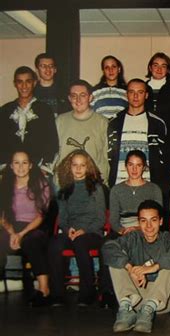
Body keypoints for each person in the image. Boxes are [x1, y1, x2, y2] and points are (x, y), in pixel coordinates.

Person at [102, 200, 170, 333]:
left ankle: (148, 308)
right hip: (136, 299)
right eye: (143, 221)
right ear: (138, 222)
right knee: (117, 259)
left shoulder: (168, 239)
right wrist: (129, 268)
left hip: (161, 301)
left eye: (153, 220)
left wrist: (154, 267)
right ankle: (126, 309)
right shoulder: (133, 237)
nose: (148, 226)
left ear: (160, 221)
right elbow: (108, 248)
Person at [48, 150, 106, 306]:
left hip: (92, 233)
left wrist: (84, 231)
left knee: (80, 242)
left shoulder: (96, 188)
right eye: (75, 165)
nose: (78, 169)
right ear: (69, 166)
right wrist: (69, 230)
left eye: (82, 165)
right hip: (72, 233)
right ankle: (57, 295)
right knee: (54, 244)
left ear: (88, 167)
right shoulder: (64, 190)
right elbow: (63, 219)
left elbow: (100, 219)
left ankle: (87, 294)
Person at [0, 151, 51, 306]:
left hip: (35, 227)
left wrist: (21, 234)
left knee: (31, 241)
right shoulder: (4, 185)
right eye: (16, 162)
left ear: (30, 165)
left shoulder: (41, 184)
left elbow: (41, 216)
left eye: (24, 162)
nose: (20, 166)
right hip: (12, 227)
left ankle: (44, 289)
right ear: (11, 166)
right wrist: (12, 233)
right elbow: (2, 216)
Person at [108, 78, 168, 189]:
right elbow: (109, 156)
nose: (135, 96)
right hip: (119, 186)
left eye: (140, 92)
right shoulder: (114, 123)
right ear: (126, 95)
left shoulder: (157, 123)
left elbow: (163, 158)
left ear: (146, 95)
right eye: (132, 92)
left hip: (148, 186)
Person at [0, 66, 59, 174]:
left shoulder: (45, 110)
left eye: (28, 81)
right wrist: (4, 167)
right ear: (15, 84)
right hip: (10, 171)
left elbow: (52, 142)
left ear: (34, 83)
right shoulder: (5, 110)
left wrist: (44, 168)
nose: (24, 86)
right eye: (20, 82)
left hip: (37, 171)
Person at [56, 79, 109, 182]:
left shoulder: (102, 122)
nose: (78, 100)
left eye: (82, 95)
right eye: (74, 96)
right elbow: (54, 154)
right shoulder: (60, 121)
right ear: (69, 98)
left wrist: (102, 183)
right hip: (64, 184)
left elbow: (106, 157)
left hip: (93, 184)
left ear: (90, 97)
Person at [109, 150, 163, 237]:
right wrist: (123, 231)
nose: (134, 169)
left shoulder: (154, 189)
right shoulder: (116, 190)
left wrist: (137, 229)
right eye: (131, 165)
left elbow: (158, 218)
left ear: (144, 167)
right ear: (125, 166)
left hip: (147, 232)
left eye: (138, 165)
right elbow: (113, 220)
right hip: (122, 233)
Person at [91, 55, 128, 120]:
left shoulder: (127, 91)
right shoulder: (95, 91)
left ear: (119, 69)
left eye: (113, 66)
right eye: (106, 67)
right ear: (103, 71)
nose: (110, 70)